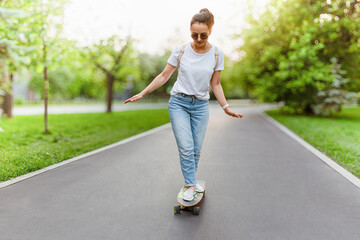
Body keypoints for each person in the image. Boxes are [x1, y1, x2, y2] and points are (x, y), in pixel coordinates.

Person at [124, 8, 243, 201]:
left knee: (196, 149)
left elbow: (216, 84)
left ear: (211, 31)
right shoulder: (180, 50)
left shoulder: (216, 54)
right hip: (178, 103)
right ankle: (189, 184)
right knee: (186, 147)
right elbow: (164, 75)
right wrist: (143, 93)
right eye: (194, 35)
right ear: (190, 32)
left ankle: (191, 180)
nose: (198, 39)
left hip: (201, 106)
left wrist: (226, 107)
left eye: (203, 35)